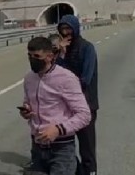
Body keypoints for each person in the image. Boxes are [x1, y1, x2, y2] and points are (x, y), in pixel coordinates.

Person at [20, 36, 91, 175]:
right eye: (29, 55)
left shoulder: (66, 78)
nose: (32, 59)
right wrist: (26, 111)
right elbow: (27, 102)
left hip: (62, 149)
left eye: (36, 56)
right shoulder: (29, 79)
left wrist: (58, 129)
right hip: (37, 147)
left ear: (50, 56)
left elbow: (84, 115)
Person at [57, 15, 98, 175]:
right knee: (64, 146)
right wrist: (61, 54)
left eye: (69, 29)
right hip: (66, 106)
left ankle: (90, 172)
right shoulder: (62, 50)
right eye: (63, 29)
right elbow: (56, 76)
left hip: (86, 104)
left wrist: (67, 88)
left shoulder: (87, 48)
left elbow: (86, 79)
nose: (66, 33)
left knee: (87, 147)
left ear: (75, 28)